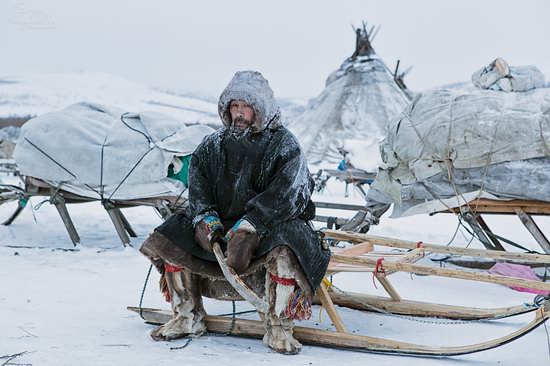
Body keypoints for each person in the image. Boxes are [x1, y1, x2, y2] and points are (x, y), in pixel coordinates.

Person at [139, 70, 330, 354]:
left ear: (260, 108)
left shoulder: (284, 145)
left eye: (245, 106)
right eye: (234, 106)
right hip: (224, 224)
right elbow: (199, 185)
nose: (239, 113)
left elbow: (290, 193)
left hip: (271, 222)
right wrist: (205, 218)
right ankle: (187, 316)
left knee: (287, 246)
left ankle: (278, 328)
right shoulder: (213, 144)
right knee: (172, 233)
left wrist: (251, 225)